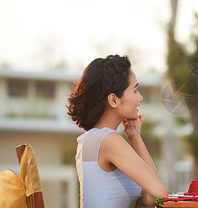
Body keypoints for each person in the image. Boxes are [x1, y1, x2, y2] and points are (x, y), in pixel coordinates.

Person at [67, 55, 168, 208]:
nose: (140, 97)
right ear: (113, 100)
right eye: (135, 91)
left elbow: (154, 187)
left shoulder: (94, 138)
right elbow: (159, 193)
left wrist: (134, 136)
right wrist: (141, 203)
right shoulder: (108, 139)